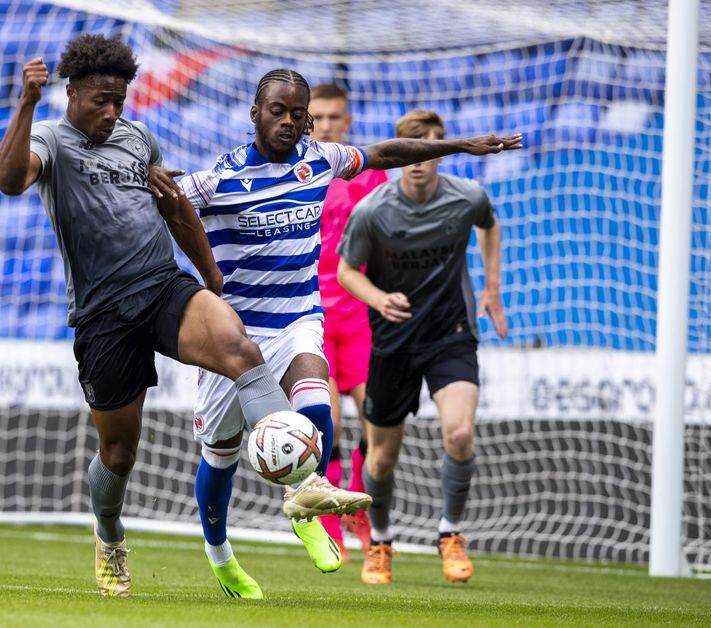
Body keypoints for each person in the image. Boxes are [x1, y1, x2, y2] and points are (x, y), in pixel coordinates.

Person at [0, 35, 356, 598]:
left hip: (165, 286)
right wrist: (24, 104)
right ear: (71, 93)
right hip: (104, 313)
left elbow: (175, 206)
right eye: (101, 101)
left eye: (120, 100)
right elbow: (11, 180)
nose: (113, 112)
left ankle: (304, 488)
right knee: (119, 453)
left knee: (241, 350)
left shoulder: (137, 138)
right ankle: (110, 536)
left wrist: (210, 277)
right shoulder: (50, 139)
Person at [162, 71, 520, 598]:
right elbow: (162, 201)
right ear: (254, 114)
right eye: (278, 111)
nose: (289, 121)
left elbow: (387, 152)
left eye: (297, 112)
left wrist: (461, 145)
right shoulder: (220, 180)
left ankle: (308, 505)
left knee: (317, 407)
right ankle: (221, 557)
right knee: (220, 457)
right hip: (231, 332)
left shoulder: (321, 160)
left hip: (297, 318)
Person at [336, 109, 510, 586]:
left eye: (429, 149)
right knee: (382, 457)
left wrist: (491, 288)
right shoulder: (373, 211)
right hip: (393, 341)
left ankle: (451, 534)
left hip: (449, 333)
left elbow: (490, 225)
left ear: (440, 151)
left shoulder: (467, 197)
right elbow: (346, 271)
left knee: (458, 434)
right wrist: (377, 297)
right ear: (400, 156)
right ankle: (381, 541)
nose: (418, 162)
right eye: (411, 151)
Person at [307, 83, 389, 562]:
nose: (325, 125)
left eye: (334, 117)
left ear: (348, 121)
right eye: (317, 117)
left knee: (377, 416)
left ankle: (359, 500)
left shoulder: (369, 178)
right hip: (315, 314)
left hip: (362, 314)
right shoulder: (297, 174)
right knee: (329, 421)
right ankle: (335, 514)